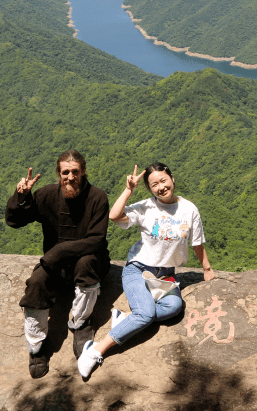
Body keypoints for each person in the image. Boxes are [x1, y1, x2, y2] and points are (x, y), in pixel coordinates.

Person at [78, 162, 215, 378]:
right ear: (150, 189)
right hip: (138, 270)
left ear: (172, 179)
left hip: (165, 275)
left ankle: (126, 319)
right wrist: (128, 190)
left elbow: (197, 243)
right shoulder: (146, 207)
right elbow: (114, 216)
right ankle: (94, 350)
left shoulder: (189, 209)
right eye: (154, 185)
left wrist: (207, 269)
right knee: (146, 313)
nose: (161, 187)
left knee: (174, 307)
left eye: (163, 181)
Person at [6, 149, 110, 379]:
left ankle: (81, 322)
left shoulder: (97, 197)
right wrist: (20, 196)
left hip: (89, 261)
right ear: (58, 173)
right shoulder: (46, 195)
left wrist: (58, 252)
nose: (70, 177)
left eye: (75, 172)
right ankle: (37, 346)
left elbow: (96, 240)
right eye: (65, 172)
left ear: (83, 172)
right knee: (36, 283)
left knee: (85, 263)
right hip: (57, 266)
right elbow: (14, 221)